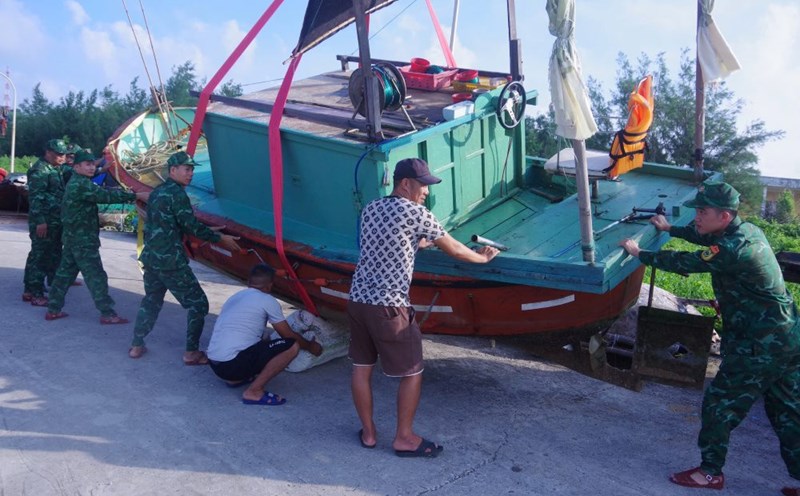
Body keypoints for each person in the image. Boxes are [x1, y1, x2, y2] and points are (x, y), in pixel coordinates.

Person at [619, 181, 800, 493]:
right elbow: (702, 237)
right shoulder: (746, 231)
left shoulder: (732, 249)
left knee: (719, 404)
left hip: (761, 343)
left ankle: (710, 473)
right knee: (787, 410)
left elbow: (689, 262)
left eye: (703, 211)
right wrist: (671, 228)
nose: (697, 217)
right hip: (786, 336)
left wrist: (640, 253)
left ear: (725, 216)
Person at [348, 158, 499, 457]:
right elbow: (455, 249)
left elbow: (391, 241)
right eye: (424, 185)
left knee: (361, 368)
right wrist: (482, 258)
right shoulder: (417, 213)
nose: (427, 192)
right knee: (412, 371)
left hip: (357, 300)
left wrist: (422, 241)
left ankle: (368, 433)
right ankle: (404, 438)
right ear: (406, 183)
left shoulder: (371, 209)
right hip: (390, 308)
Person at [130, 151, 241, 364]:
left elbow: (176, 222)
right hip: (170, 261)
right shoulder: (178, 194)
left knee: (151, 301)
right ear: (173, 170)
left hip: (151, 258)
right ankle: (191, 353)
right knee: (198, 304)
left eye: (192, 169)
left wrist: (209, 228)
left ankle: (136, 345)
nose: (191, 174)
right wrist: (220, 239)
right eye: (187, 169)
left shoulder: (159, 192)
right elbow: (189, 225)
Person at [44, 149, 150, 323]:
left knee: (64, 275)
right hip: (82, 240)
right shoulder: (81, 185)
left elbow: (97, 188)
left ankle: (53, 309)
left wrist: (104, 169)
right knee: (96, 277)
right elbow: (105, 195)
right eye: (87, 164)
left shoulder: (78, 181)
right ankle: (107, 314)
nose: (91, 167)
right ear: (77, 166)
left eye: (93, 164)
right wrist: (136, 194)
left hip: (73, 238)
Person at [206, 264, 323, 405]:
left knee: (264, 339)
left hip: (215, 364)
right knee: (291, 346)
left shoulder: (236, 297)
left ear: (249, 282)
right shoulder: (267, 300)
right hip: (231, 365)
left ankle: (235, 380)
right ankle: (254, 391)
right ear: (269, 286)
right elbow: (287, 335)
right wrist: (311, 346)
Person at [23, 138, 69, 306]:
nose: (62, 157)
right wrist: (40, 221)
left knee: (43, 254)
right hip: (44, 221)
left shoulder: (55, 168)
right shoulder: (40, 170)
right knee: (40, 256)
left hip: (54, 220)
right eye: (58, 154)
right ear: (48, 152)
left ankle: (29, 289)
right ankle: (35, 293)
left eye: (63, 154)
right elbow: (35, 198)